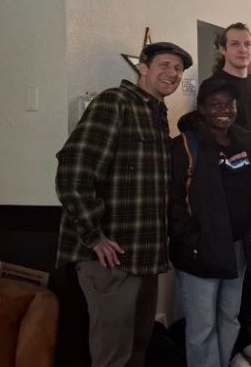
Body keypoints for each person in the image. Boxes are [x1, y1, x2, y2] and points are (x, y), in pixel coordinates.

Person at [55, 41, 192, 367]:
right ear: (143, 68)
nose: (171, 73)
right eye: (164, 65)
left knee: (137, 346)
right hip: (110, 257)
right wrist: (95, 236)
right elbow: (73, 172)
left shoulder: (156, 113)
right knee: (113, 355)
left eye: (177, 68)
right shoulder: (114, 103)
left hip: (144, 256)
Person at [169, 77, 251, 367]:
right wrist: (192, 241)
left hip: (237, 248)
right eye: (215, 104)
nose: (224, 110)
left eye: (229, 104)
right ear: (201, 108)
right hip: (202, 250)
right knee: (202, 327)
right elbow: (173, 202)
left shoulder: (246, 140)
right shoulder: (185, 145)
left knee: (229, 317)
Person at [211, 23, 251, 366]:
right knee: (232, 274)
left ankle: (245, 336)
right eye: (235, 44)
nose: (243, 50)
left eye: (247, 44)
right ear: (223, 48)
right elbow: (217, 138)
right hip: (230, 192)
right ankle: (232, 347)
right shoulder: (214, 86)